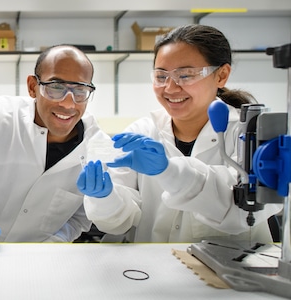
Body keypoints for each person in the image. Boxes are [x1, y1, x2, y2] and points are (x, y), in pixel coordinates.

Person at [77, 24, 283, 243]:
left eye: (185, 75)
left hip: (232, 271)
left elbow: (242, 214)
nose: (171, 88)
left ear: (221, 75)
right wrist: (104, 197)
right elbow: (120, 223)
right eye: (161, 76)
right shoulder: (143, 132)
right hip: (154, 270)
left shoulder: (251, 135)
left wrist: (170, 170)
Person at [0, 45, 114, 253]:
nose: (68, 104)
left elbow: (80, 217)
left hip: (31, 260)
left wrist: (54, 242)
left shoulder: (96, 148)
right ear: (32, 86)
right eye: (55, 87)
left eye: (80, 90)